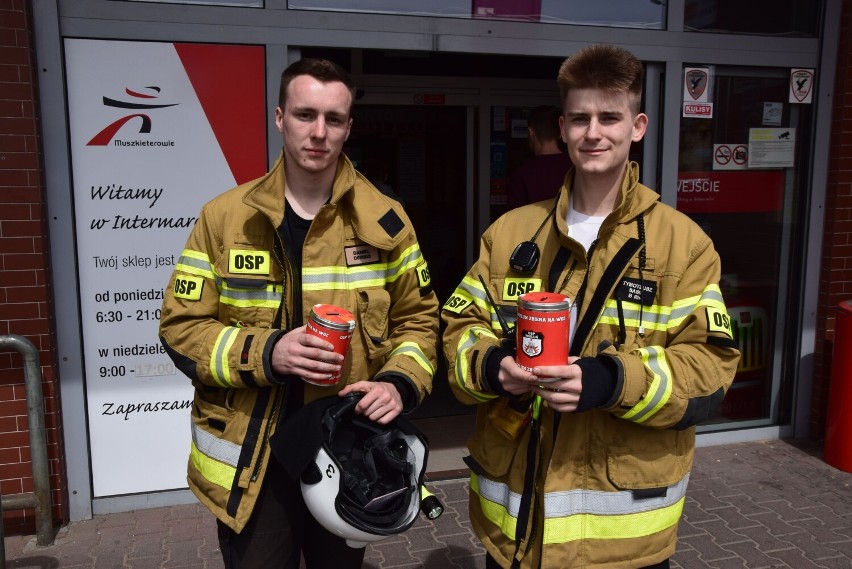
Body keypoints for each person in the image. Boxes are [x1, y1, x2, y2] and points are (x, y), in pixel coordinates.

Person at [441, 44, 740, 568]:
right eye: (580, 118)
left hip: (622, 547)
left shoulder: (684, 245)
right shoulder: (511, 233)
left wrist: (610, 380)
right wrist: (494, 367)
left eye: (609, 116)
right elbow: (459, 329)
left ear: (638, 125)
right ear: (562, 127)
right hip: (516, 534)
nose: (593, 132)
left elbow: (711, 373)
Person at [158, 58, 439, 569]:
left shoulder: (386, 221)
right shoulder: (224, 218)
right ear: (280, 117)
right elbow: (181, 330)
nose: (319, 132)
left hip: (345, 448)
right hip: (253, 460)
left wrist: (397, 382)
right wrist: (269, 352)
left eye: (334, 119)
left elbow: (418, 323)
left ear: (349, 127)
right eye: (305, 114)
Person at [506, 104, 572, 209]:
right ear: (561, 132)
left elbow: (514, 220)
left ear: (531, 132)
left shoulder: (521, 174)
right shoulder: (575, 168)